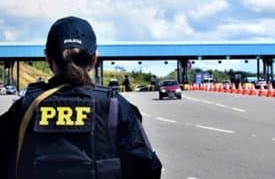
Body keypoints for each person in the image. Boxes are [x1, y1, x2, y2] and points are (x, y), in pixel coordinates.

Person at [0, 16, 162, 179]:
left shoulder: (25, 108)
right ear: (94, 59)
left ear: (48, 58)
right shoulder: (115, 106)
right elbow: (148, 168)